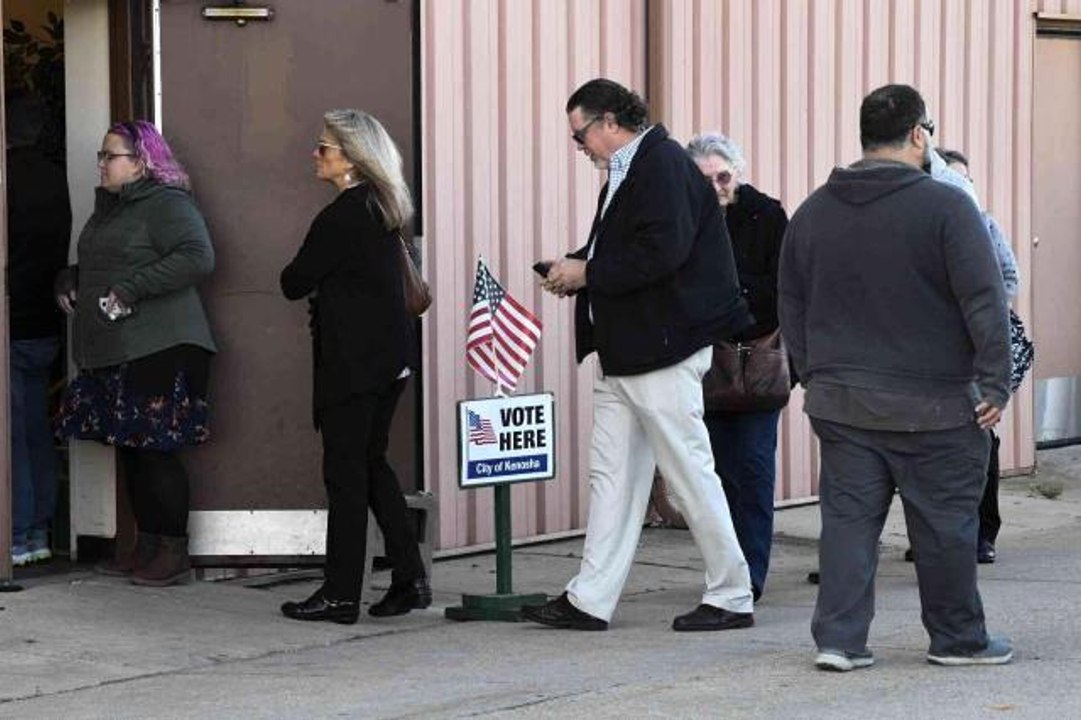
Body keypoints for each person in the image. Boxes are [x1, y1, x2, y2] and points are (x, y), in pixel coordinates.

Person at [780, 84, 1012, 671]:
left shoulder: (813, 212)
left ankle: (839, 640)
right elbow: (984, 301)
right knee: (945, 529)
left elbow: (791, 302)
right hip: (936, 406)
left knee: (848, 527)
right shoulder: (947, 207)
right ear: (918, 134)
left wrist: (813, 375)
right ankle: (958, 640)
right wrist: (995, 383)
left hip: (842, 402)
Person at [522, 78, 755, 632]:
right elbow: (628, 248)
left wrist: (589, 272)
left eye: (580, 135)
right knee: (613, 479)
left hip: (662, 350)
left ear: (608, 122)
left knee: (689, 475)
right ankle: (589, 599)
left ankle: (732, 594)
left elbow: (662, 253)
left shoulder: (662, 166)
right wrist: (576, 267)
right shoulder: (632, 170)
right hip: (627, 351)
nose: (579, 147)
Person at [279, 109, 429, 625]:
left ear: (351, 159)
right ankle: (409, 578)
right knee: (371, 466)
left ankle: (342, 594)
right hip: (390, 360)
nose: (315, 155)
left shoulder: (343, 214)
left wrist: (318, 279)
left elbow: (294, 280)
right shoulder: (384, 207)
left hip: (353, 365)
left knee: (345, 475)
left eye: (324, 148)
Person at [54, 121, 216, 586]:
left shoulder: (167, 204)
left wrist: (130, 289)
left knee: (155, 451)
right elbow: (110, 259)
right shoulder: (112, 207)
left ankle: (173, 553)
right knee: (129, 447)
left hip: (161, 344)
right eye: (101, 156)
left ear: (142, 163)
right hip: (118, 346)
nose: (102, 164)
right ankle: (147, 545)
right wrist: (72, 278)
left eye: (111, 156)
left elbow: (197, 256)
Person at [903, 148, 1018, 566]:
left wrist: (980, 312)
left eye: (965, 179)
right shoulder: (920, 229)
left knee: (979, 439)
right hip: (927, 353)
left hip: (971, 349)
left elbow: (1008, 276)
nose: (960, 186)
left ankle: (981, 534)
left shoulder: (983, 225)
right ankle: (932, 535)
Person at [686, 132, 788, 601]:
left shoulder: (766, 215)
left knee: (753, 469)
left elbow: (781, 288)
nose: (716, 187)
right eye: (705, 179)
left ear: (738, 173)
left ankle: (751, 574)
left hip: (755, 361)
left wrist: (727, 294)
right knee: (714, 474)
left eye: (723, 177)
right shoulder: (684, 216)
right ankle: (725, 569)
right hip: (704, 363)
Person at [6, 90, 71, 566]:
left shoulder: (6, 179)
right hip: (45, 319)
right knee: (34, 428)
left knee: (12, 433)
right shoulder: (54, 177)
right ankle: (39, 529)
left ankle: (19, 532)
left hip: (9, 319)